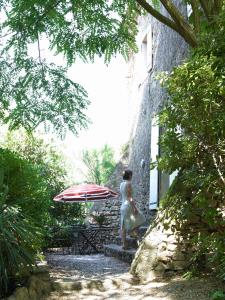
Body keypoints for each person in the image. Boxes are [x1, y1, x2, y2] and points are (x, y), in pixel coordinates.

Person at [120, 169, 145, 249]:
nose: (132, 176)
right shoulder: (129, 184)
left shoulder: (121, 184)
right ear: (130, 175)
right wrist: (135, 208)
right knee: (141, 218)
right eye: (132, 175)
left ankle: (124, 244)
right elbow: (130, 197)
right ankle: (131, 231)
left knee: (123, 226)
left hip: (122, 206)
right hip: (128, 206)